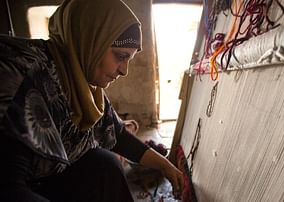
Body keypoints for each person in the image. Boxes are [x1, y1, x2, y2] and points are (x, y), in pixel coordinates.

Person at [0, 0, 184, 201]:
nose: (124, 70)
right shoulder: (20, 75)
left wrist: (166, 166)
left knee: (104, 164)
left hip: (45, 180)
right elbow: (9, 188)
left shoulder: (81, 83)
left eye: (128, 60)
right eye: (120, 56)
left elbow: (116, 133)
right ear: (90, 41)